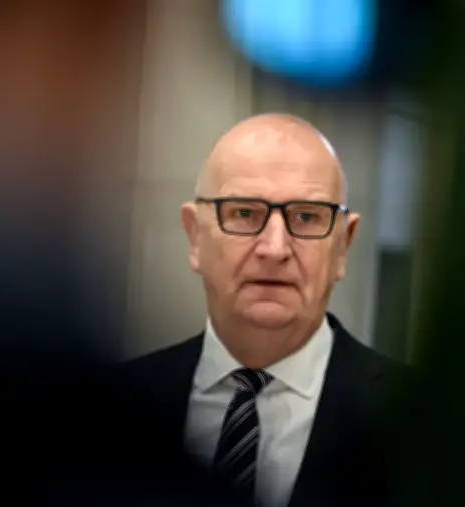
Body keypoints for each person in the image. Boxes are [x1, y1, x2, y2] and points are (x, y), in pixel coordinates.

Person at [122, 113, 419, 507]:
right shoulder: (106, 412)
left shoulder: (424, 424)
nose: (275, 249)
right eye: (244, 213)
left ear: (343, 246)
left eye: (306, 217)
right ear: (195, 237)